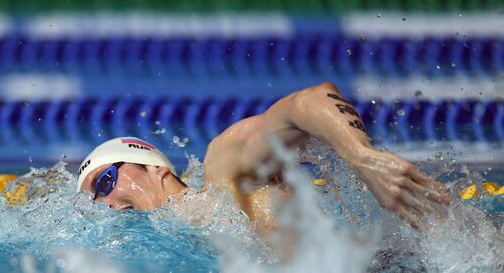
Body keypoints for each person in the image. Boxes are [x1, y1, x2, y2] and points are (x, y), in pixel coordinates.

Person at [77, 82, 449, 232]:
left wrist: (361, 157)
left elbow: (308, 101)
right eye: (94, 200)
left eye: (105, 182)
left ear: (154, 168)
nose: (105, 203)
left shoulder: (224, 172)